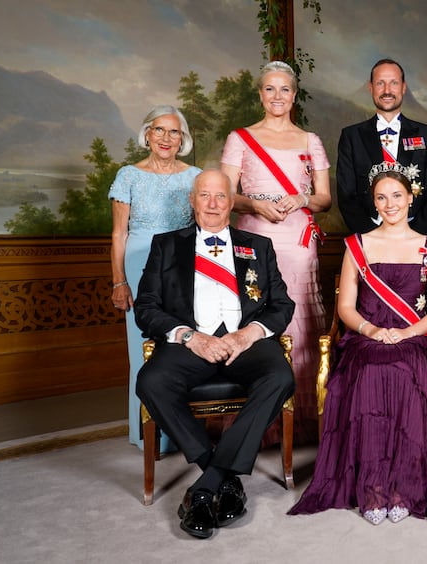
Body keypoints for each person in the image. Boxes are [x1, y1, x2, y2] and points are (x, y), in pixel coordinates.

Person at [289, 164, 427, 525]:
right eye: (381, 197)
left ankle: (403, 486)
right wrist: (372, 330)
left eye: (396, 196)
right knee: (373, 368)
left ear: (410, 198)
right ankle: (374, 487)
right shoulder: (357, 245)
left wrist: (407, 333)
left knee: (405, 369)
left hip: (416, 337)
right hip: (367, 337)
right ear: (374, 203)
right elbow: (344, 307)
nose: (389, 204)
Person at [135, 170, 295, 539]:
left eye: (220, 196)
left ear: (231, 202)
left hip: (246, 343)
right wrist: (190, 337)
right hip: (192, 343)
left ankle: (205, 485)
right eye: (204, 195)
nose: (212, 204)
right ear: (192, 201)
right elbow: (146, 307)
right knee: (152, 381)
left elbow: (281, 305)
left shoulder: (257, 245)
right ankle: (220, 476)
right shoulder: (166, 245)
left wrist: (247, 335)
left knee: (281, 377)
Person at [220, 61, 330, 445]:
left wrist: (300, 197)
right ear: (260, 94)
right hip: (255, 235)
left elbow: (324, 199)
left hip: (298, 238)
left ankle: (303, 419)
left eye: (285, 89)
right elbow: (225, 196)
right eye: (270, 89)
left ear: (295, 95)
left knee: (299, 319)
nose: (277, 96)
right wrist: (254, 205)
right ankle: (260, 422)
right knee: (256, 313)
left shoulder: (310, 139)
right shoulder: (240, 138)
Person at [109, 105, 201, 451]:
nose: (166, 138)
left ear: (183, 139)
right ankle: (147, 434)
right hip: (137, 262)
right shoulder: (128, 176)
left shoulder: (195, 176)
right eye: (159, 130)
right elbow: (119, 234)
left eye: (174, 132)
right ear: (147, 134)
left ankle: (182, 434)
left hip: (181, 265)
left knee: (182, 344)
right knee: (142, 349)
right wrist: (119, 281)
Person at [337, 58, 427, 235]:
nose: (387, 90)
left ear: (403, 87)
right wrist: (373, 237)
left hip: (415, 239)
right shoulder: (351, 137)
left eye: (394, 83)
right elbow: (347, 196)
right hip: (368, 239)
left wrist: (412, 237)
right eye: (380, 83)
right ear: (371, 88)